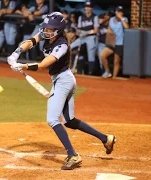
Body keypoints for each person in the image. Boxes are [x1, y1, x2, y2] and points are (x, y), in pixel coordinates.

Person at [7, 12, 116, 170]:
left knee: (52, 119)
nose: (45, 31)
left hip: (64, 81)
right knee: (69, 121)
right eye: (45, 28)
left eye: (49, 29)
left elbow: (44, 64)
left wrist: (22, 66)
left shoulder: (62, 45)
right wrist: (16, 52)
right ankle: (105, 138)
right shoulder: (48, 35)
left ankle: (73, 155)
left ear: (57, 30)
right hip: (62, 80)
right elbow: (31, 41)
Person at [70, 0, 99, 75]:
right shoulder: (81, 17)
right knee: (71, 47)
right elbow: (79, 29)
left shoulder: (95, 17)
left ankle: (90, 73)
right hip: (82, 37)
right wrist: (79, 32)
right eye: (86, 7)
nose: (87, 8)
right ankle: (71, 67)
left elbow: (96, 30)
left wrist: (88, 32)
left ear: (91, 8)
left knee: (91, 56)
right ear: (84, 8)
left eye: (89, 7)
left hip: (91, 37)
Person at [100, 6, 129, 78]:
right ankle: (107, 71)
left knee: (116, 61)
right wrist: (109, 30)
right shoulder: (111, 19)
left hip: (120, 43)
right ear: (115, 12)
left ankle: (114, 77)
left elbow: (127, 27)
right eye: (118, 11)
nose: (119, 13)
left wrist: (121, 18)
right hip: (111, 42)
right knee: (102, 56)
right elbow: (109, 27)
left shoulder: (124, 19)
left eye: (121, 12)